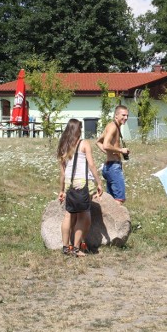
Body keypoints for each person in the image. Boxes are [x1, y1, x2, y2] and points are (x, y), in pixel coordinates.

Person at [58, 119, 103, 257]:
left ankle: (66, 247)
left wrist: (62, 190)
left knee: (68, 216)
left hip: (69, 183)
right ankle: (76, 249)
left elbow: (62, 173)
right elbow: (91, 165)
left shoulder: (63, 146)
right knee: (83, 217)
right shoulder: (84, 144)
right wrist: (99, 182)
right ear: (78, 130)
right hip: (83, 183)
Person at [96, 105, 130, 204]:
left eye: (127, 115)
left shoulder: (112, 126)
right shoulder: (113, 127)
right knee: (119, 199)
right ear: (116, 116)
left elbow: (98, 142)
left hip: (109, 166)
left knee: (111, 200)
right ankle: (116, 219)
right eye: (123, 115)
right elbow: (106, 145)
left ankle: (106, 218)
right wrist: (120, 150)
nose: (126, 118)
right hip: (113, 167)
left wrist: (112, 152)